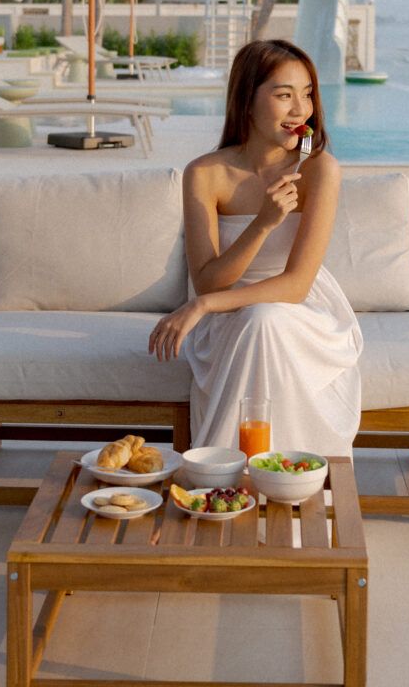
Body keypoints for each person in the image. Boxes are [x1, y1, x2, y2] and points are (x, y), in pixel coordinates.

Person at [148, 39, 362, 457]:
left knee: (266, 320)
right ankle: (244, 473)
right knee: (259, 322)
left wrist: (202, 305)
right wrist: (262, 224)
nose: (301, 110)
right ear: (247, 100)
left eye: (308, 94)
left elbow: (297, 285)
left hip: (302, 315)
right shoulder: (206, 173)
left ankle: (259, 470)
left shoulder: (319, 169)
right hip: (229, 322)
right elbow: (209, 280)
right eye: (284, 95)